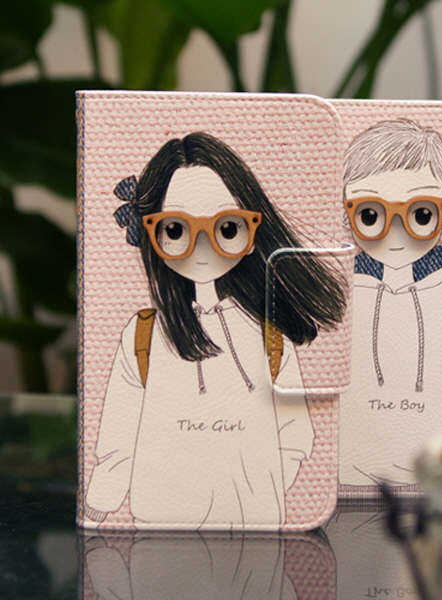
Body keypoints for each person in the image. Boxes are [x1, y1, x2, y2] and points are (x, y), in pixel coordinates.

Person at [84, 132, 346, 529]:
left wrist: (265, 484)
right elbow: (119, 433)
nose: (202, 246)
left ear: (253, 231)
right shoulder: (144, 336)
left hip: (256, 526)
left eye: (227, 228)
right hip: (159, 523)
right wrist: (99, 506)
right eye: (176, 230)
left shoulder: (269, 334)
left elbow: (295, 431)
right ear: (151, 235)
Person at [338, 119, 442, 493]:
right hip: (346, 479)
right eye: (371, 214)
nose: (396, 231)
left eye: (420, 213)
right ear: (347, 216)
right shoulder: (339, 298)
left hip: (441, 484)